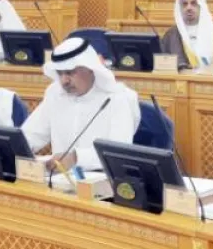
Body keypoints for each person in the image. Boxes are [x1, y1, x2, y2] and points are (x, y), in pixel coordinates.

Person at [22, 38, 142, 176]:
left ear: (90, 68)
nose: (64, 81)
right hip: (58, 179)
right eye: (60, 73)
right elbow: (31, 134)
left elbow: (118, 154)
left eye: (70, 72)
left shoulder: (117, 98)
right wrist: (17, 148)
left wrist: (76, 158)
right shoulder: (55, 93)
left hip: (103, 181)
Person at [161, 0, 213, 69]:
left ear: (201, 6)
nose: (189, 8)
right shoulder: (172, 34)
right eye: (184, 4)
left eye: (193, 3)